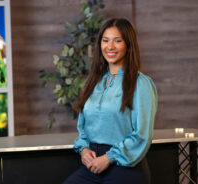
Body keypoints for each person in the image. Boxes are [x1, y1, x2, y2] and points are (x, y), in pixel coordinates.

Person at [63, 18, 158, 184]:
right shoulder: (92, 82)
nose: (110, 47)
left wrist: (109, 157)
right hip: (92, 166)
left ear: (128, 45)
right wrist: (84, 148)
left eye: (117, 41)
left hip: (126, 167)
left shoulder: (141, 83)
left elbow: (142, 134)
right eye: (105, 41)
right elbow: (83, 127)